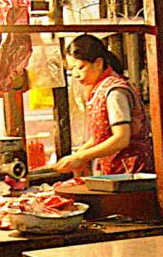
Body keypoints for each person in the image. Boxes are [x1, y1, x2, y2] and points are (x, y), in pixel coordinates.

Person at [54, 34, 153, 176]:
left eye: (80, 67)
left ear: (98, 63)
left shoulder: (114, 91)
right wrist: (79, 154)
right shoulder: (98, 89)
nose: (75, 74)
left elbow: (121, 138)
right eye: (72, 69)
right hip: (116, 172)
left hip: (132, 173)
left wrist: (81, 157)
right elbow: (102, 135)